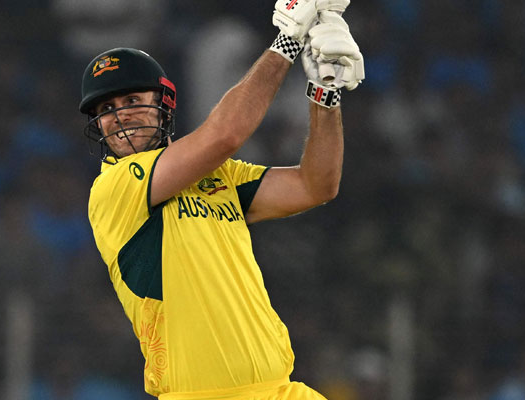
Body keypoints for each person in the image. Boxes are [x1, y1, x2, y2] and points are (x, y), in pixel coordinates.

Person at [79, 0, 364, 398]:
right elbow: (226, 135)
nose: (119, 115)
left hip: (280, 389)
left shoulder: (220, 177)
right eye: (106, 108)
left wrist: (324, 93)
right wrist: (287, 41)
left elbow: (316, 185)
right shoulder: (115, 187)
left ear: (163, 106)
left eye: (131, 101)